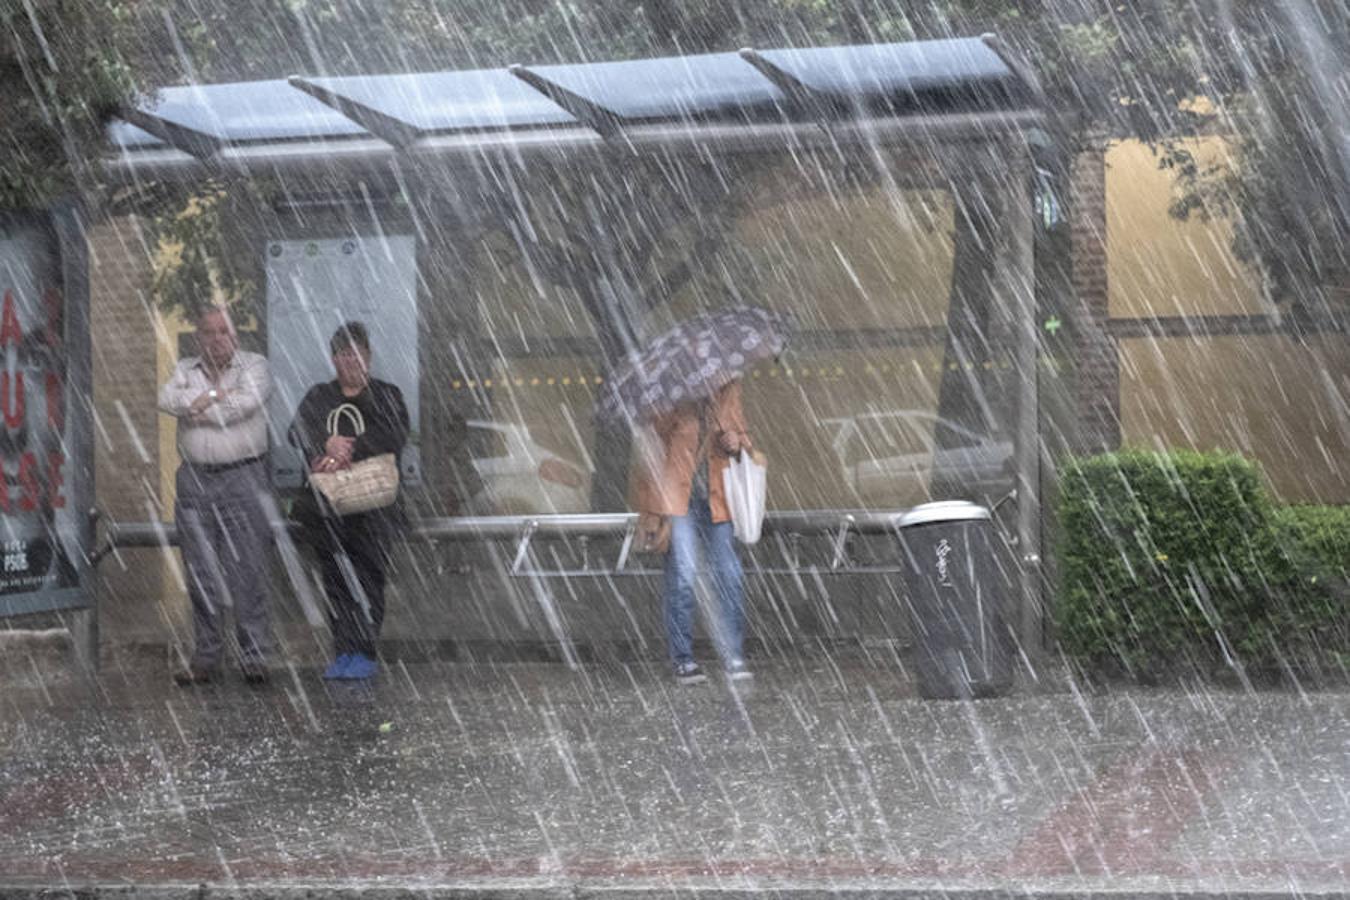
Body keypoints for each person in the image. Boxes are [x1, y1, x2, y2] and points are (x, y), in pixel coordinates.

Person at [157, 305, 274, 686]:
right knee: (200, 572)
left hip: (242, 477)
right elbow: (165, 400)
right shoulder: (184, 368)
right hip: (194, 481)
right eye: (210, 332)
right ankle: (206, 656)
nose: (218, 338)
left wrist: (199, 406)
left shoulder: (254, 365)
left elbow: (243, 406)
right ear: (199, 338)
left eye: (224, 331)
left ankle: (254, 655)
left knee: (248, 570)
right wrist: (212, 393)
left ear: (235, 336)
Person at [289, 322, 409, 681]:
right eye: (344, 354)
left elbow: (396, 435)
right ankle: (343, 651)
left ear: (369, 357)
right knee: (336, 580)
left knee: (371, 577)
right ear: (333, 359)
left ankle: (365, 651)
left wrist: (349, 448)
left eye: (358, 353)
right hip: (330, 510)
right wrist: (325, 443)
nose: (352, 361)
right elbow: (295, 432)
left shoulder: (386, 394)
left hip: (374, 510)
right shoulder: (318, 396)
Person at [635, 380, 754, 684]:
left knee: (730, 576)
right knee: (684, 576)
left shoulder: (728, 390)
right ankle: (682, 658)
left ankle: (733, 655)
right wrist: (652, 512)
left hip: (718, 499)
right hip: (678, 503)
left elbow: (744, 439)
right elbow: (652, 456)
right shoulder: (665, 396)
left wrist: (735, 441)